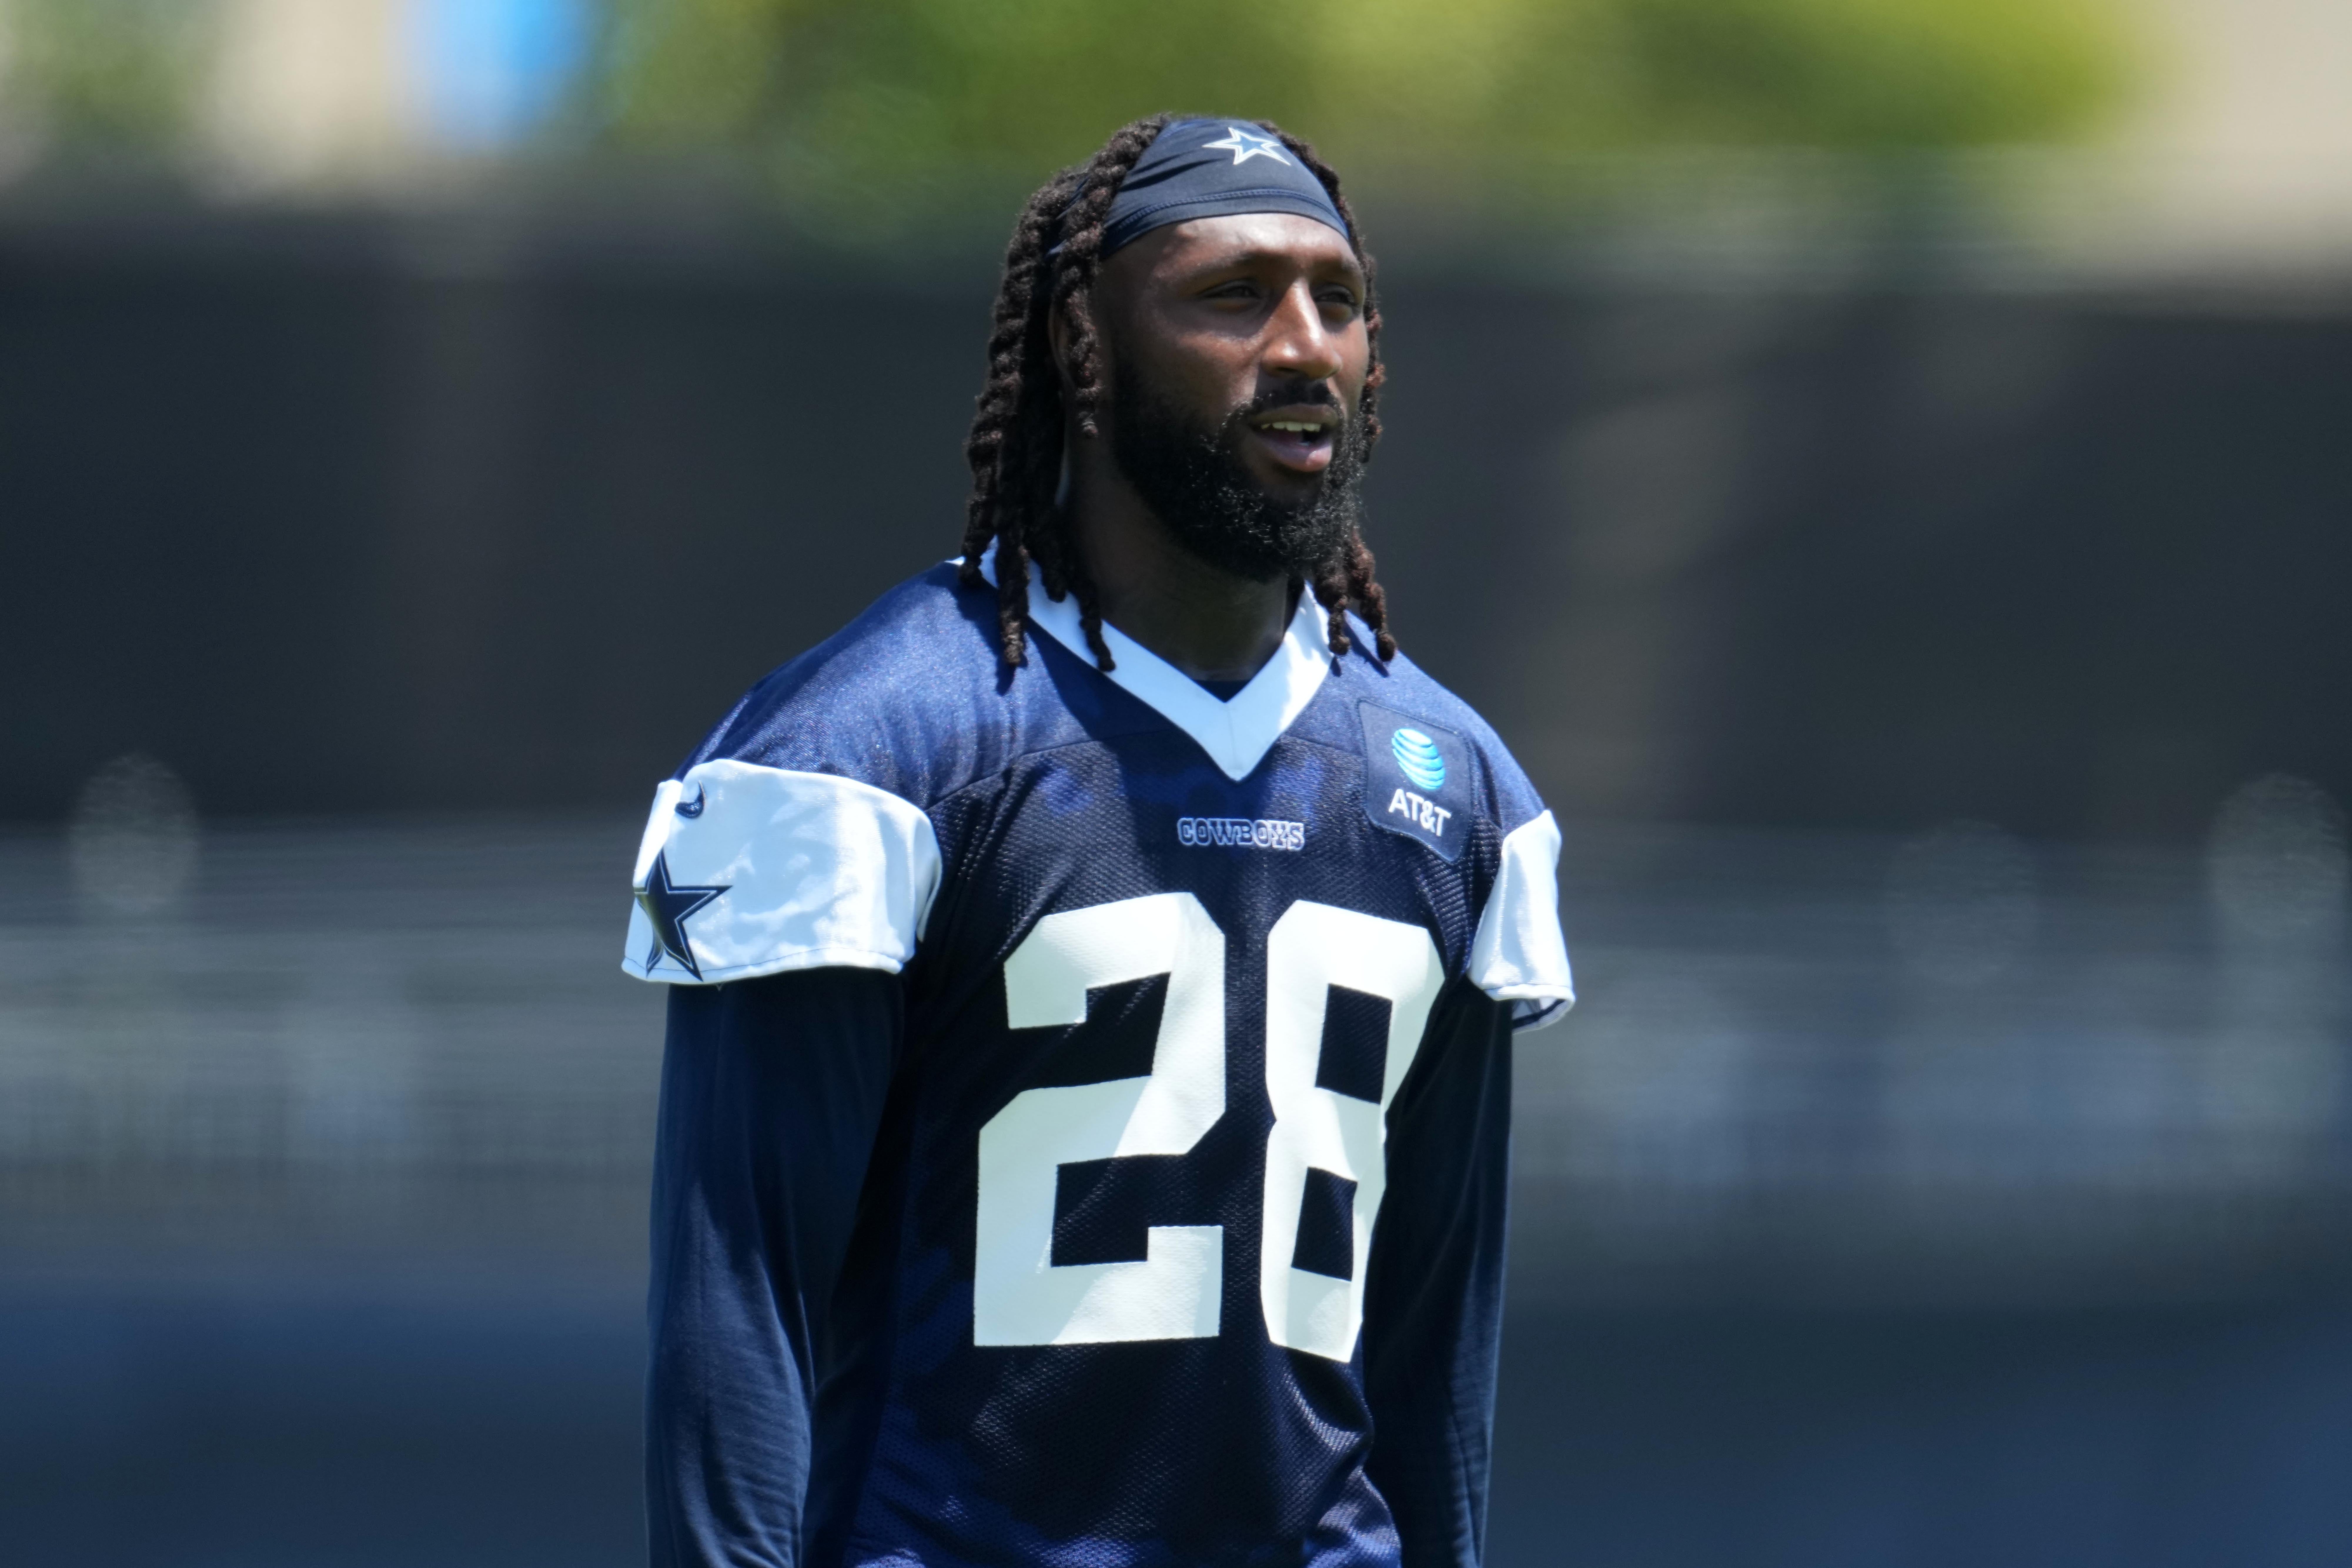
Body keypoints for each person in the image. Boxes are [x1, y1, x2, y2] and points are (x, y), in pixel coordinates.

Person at [626, 113, 1574, 1568]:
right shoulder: (866, 754)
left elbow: (1435, 1337)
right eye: (1232, 294)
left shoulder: (1453, 790)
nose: (1305, 344)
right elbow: (737, 1316)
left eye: (1339, 297)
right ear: (1081, 345)